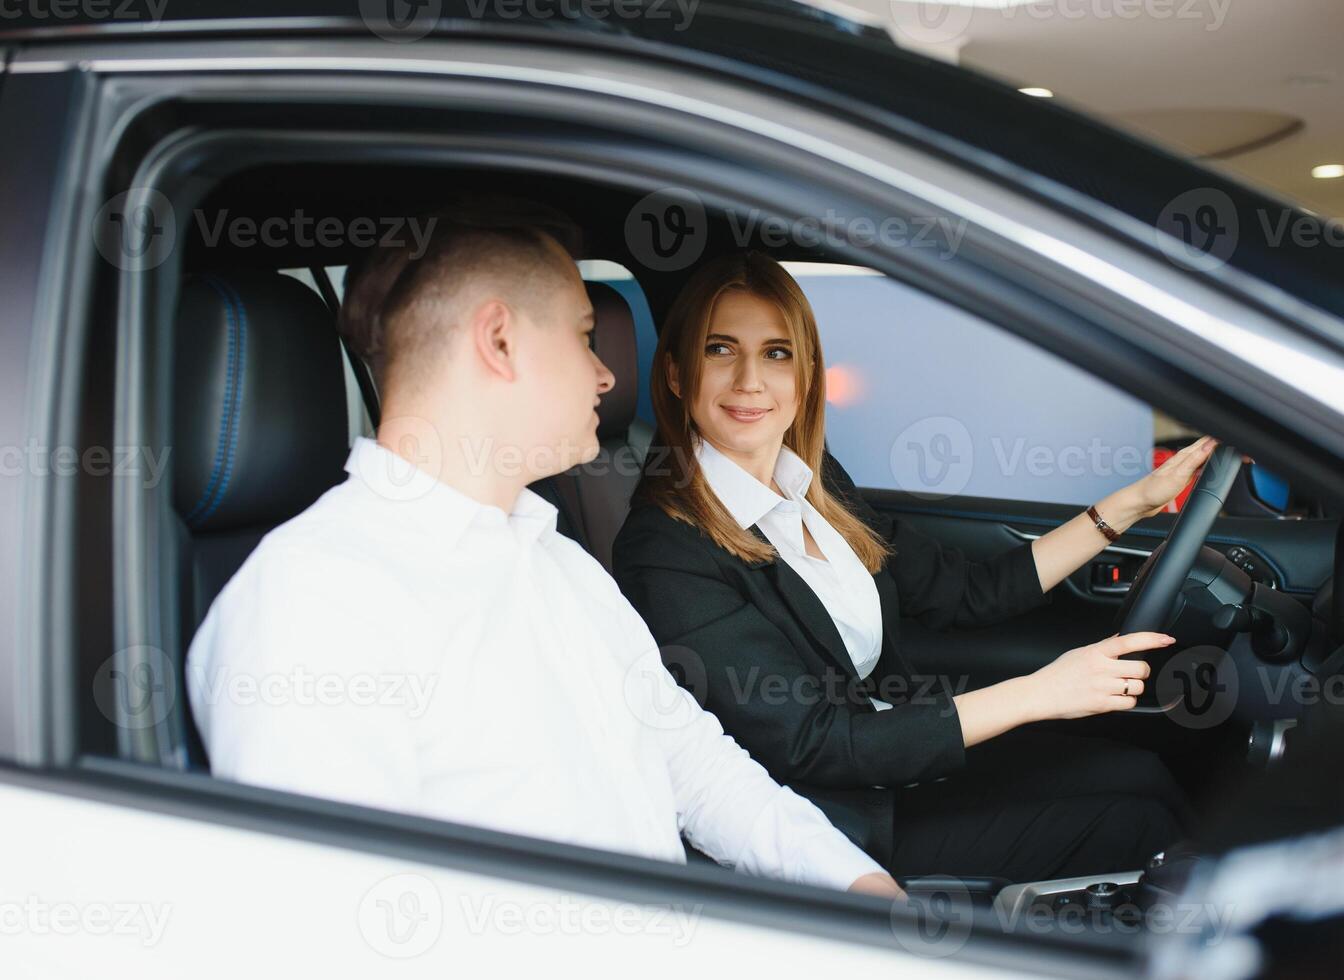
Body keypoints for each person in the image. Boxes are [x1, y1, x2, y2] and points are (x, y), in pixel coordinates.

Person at [184, 209, 902, 899]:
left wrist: (856, 883)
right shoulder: (311, 608)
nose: (605, 374)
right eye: (584, 335)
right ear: (498, 340)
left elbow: (697, 767)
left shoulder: (556, 563)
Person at [613, 250, 1213, 883]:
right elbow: (815, 743)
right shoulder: (667, 550)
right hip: (842, 820)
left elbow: (972, 591)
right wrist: (1040, 694)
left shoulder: (815, 484)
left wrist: (1129, 506)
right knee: (1139, 827)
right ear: (677, 375)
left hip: (904, 760)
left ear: (807, 373)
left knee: (1144, 773)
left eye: (776, 353)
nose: (749, 381)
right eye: (720, 350)